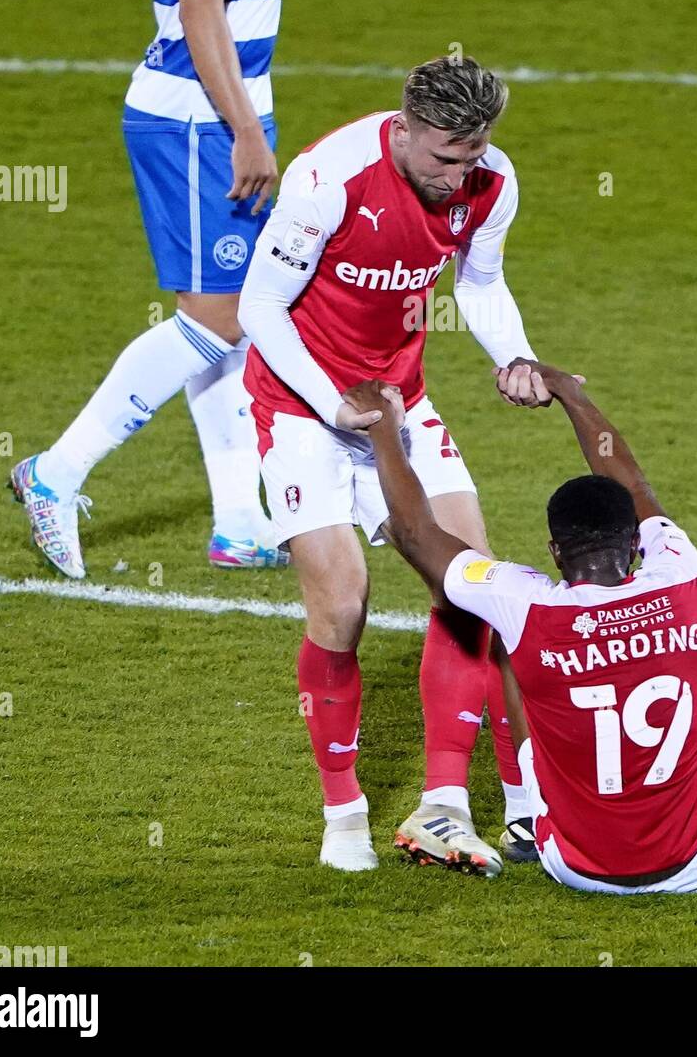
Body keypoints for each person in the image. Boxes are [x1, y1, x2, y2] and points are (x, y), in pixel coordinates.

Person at [11, 0, 312, 576]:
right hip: (199, 119)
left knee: (231, 319)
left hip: (200, 111)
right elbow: (198, 7)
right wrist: (247, 131)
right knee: (218, 320)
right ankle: (54, 473)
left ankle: (241, 522)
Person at [239, 55, 562, 873]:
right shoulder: (328, 178)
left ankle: (443, 806)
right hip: (297, 404)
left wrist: (513, 357)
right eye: (444, 155)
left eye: (474, 154)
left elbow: (480, 285)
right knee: (343, 605)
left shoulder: (491, 182)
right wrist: (330, 402)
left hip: (398, 402)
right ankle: (343, 813)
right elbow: (259, 306)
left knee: (472, 585)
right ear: (404, 127)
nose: (459, 174)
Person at [343, 364, 697, 894]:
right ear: (634, 545)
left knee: (510, 637)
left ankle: (526, 812)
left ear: (555, 552)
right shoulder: (680, 572)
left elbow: (417, 533)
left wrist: (382, 428)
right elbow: (636, 485)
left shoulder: (523, 601)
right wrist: (571, 395)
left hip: (575, 865)